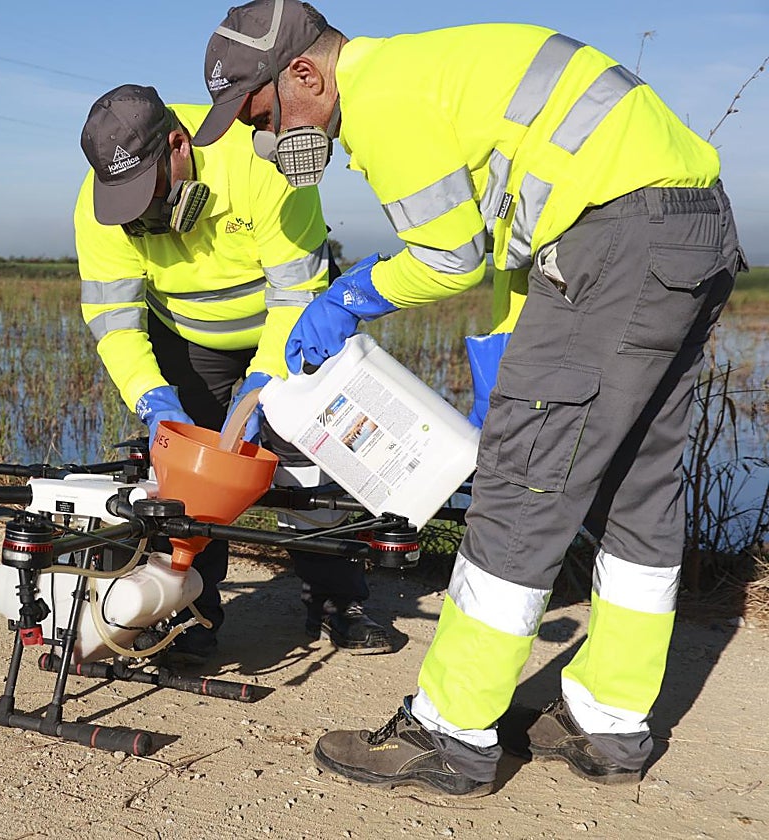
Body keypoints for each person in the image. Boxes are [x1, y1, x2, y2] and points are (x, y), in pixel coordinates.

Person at [194, 0, 746, 796]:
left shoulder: (385, 102)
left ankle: (450, 732)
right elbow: (518, 227)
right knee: (638, 487)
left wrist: (353, 295)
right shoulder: (434, 69)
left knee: (521, 490)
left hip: (614, 241)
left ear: (305, 73)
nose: (262, 139)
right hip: (688, 228)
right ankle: (610, 722)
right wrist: (502, 346)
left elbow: (447, 257)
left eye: (259, 114)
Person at [74, 83, 396, 664]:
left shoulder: (259, 161)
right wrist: (152, 399)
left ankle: (335, 601)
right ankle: (192, 613)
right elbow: (112, 317)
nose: (144, 219)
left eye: (152, 197)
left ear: (179, 145)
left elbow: (297, 293)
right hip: (189, 340)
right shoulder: (105, 207)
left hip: (291, 329)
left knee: (311, 465)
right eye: (130, 211)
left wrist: (262, 382)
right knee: (187, 483)